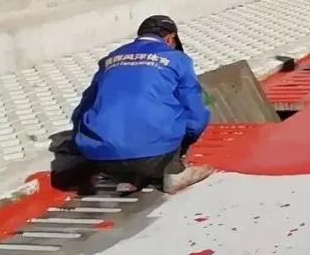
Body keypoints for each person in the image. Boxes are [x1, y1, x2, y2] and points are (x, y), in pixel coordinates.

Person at [71, 15, 214, 193]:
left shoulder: (110, 58)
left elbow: (83, 107)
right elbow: (195, 111)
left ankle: (130, 177)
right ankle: (174, 172)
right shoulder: (178, 59)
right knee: (184, 114)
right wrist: (185, 142)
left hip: (100, 158)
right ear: (170, 38)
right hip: (155, 156)